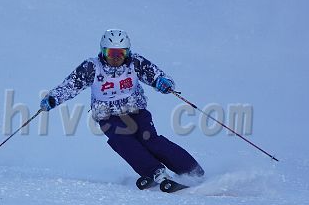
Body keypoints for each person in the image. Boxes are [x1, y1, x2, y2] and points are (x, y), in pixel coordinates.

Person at [40, 29, 204, 187]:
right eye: (111, 53)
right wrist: (54, 98)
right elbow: (70, 85)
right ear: (103, 51)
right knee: (122, 141)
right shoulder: (92, 67)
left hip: (136, 110)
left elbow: (155, 75)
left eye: (121, 53)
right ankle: (155, 172)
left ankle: (191, 170)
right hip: (108, 116)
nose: (116, 58)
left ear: (128, 52)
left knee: (150, 140)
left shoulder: (135, 62)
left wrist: (162, 82)